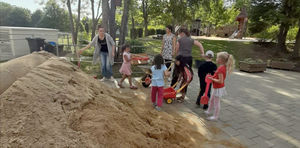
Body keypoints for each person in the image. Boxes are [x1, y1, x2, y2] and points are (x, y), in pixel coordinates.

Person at [171, 27, 204, 97]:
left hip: (180, 59)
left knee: (176, 75)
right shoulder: (191, 40)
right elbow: (200, 45)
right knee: (186, 76)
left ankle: (171, 91)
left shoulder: (180, 40)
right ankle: (183, 95)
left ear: (182, 33)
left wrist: (175, 56)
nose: (179, 35)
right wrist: (202, 53)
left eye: (180, 33)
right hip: (188, 60)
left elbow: (177, 49)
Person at [205, 52, 235, 121]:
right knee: (212, 100)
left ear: (221, 60)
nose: (216, 59)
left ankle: (215, 116)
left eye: (217, 58)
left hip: (218, 88)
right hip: (216, 87)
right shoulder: (221, 67)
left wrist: (212, 79)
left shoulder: (221, 69)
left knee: (216, 103)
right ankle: (209, 111)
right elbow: (217, 76)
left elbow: (221, 81)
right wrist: (212, 76)